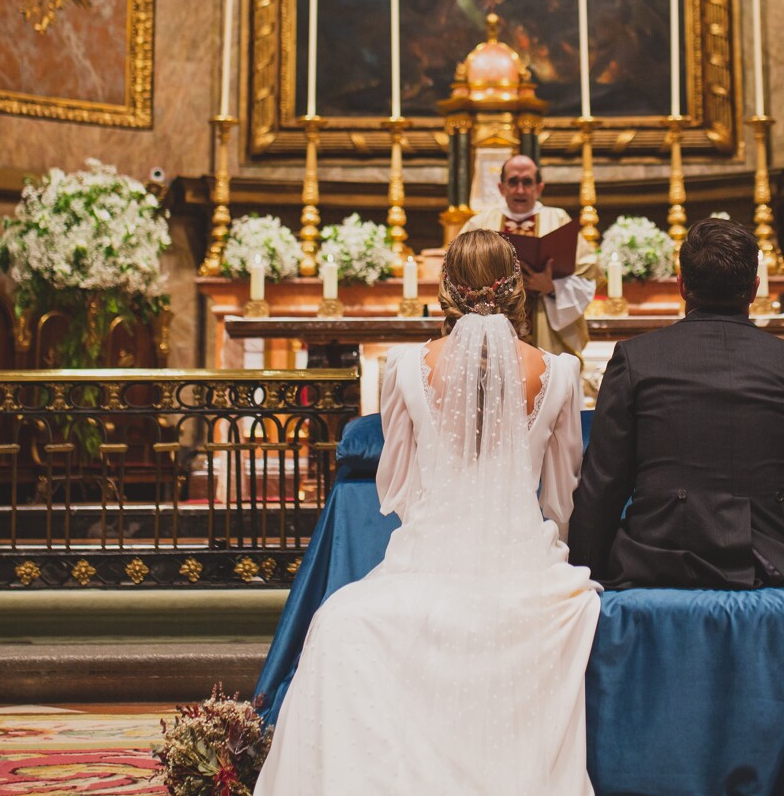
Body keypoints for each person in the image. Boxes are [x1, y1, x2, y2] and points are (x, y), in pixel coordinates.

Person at [257, 230, 600, 794]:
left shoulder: (403, 366)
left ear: (447, 290)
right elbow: (561, 499)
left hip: (425, 556)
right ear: (515, 289)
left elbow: (396, 490)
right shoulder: (560, 371)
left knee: (338, 621)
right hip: (527, 564)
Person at [570, 217, 784, 588]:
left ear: (682, 286)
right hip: (780, 564)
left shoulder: (637, 359)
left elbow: (603, 485)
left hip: (660, 560)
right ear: (754, 289)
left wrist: (584, 576)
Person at [460, 154, 597, 356]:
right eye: (513, 182)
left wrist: (552, 288)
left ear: (539, 188)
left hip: (545, 331)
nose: (520, 190)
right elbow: (456, 276)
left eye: (527, 182)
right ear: (501, 188)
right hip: (491, 331)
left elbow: (588, 276)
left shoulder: (558, 220)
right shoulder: (479, 224)